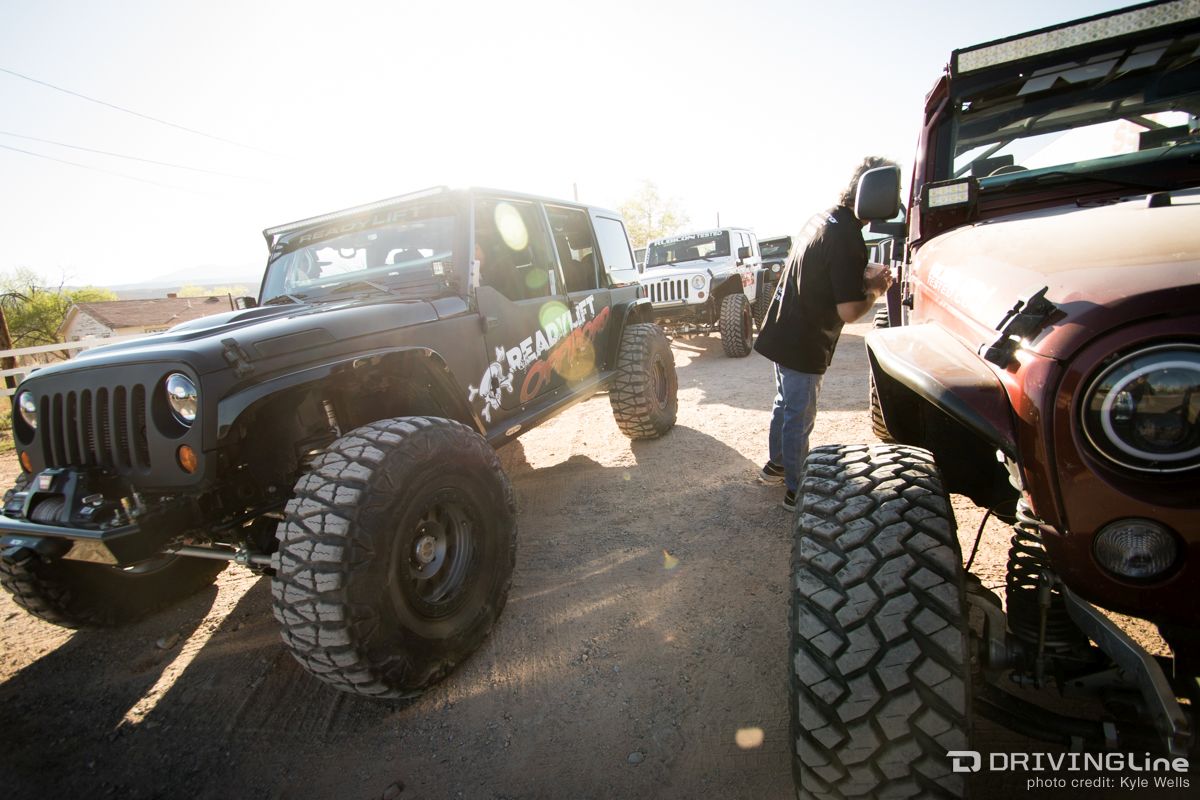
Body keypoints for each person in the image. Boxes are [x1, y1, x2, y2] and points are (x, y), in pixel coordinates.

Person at [753, 157, 897, 511]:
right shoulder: (848, 238)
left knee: (785, 404)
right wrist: (876, 289)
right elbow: (849, 311)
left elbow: (821, 268)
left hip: (781, 330)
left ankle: (778, 464)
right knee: (799, 415)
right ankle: (795, 490)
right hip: (804, 340)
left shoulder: (822, 218)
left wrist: (857, 274)